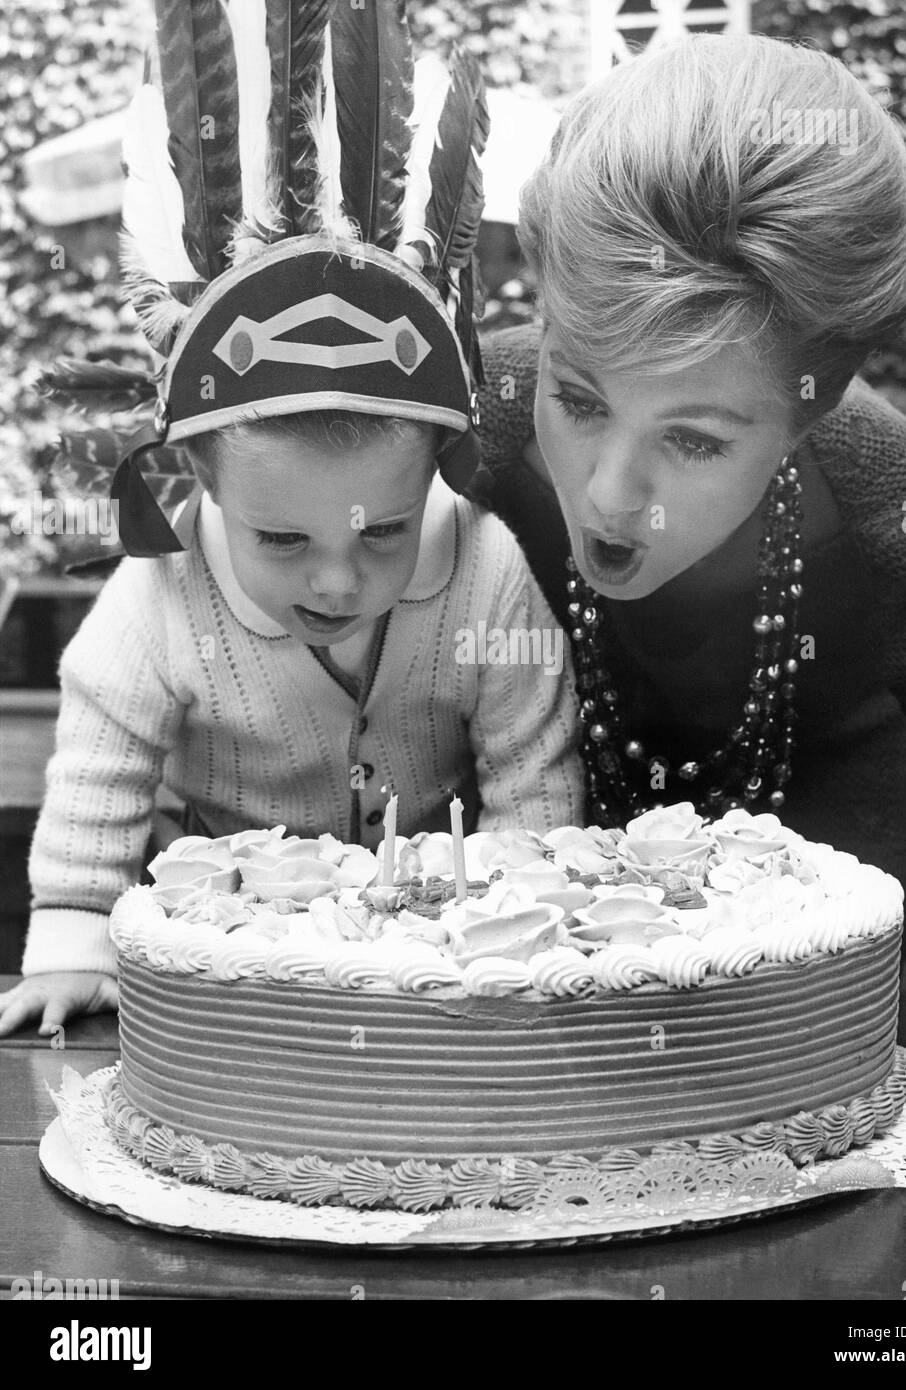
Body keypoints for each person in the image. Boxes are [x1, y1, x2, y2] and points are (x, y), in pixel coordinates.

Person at [0, 4, 581, 1039]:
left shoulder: (486, 574)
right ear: (201, 482)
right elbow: (99, 757)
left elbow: (531, 781)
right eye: (284, 541)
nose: (336, 582)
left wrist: (519, 931)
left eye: (383, 532)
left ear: (438, 475)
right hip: (226, 957)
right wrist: (76, 933)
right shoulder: (161, 589)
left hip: (428, 963)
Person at [470, 33, 906, 932]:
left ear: (813, 410)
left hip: (816, 899)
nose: (609, 494)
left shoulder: (901, 515)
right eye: (575, 398)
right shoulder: (464, 431)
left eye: (693, 441)